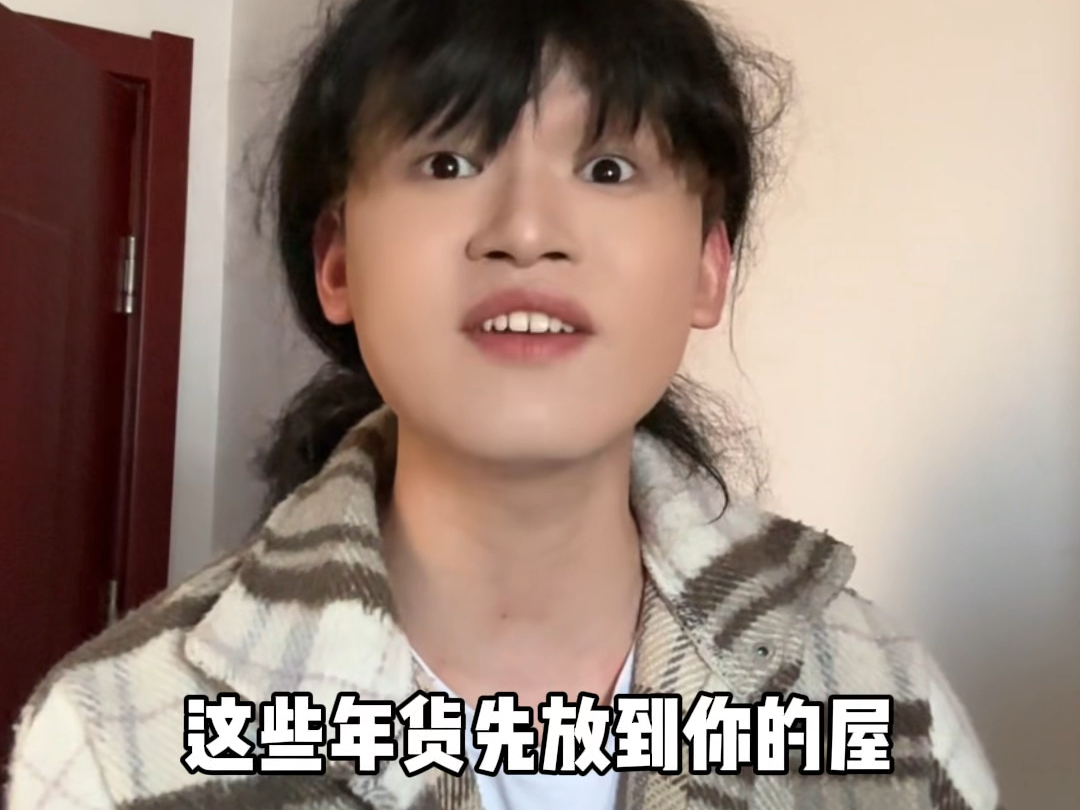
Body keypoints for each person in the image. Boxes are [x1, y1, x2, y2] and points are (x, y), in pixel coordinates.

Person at [5, 0, 1002, 808]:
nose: (526, 232)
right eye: (448, 163)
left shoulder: (878, 695)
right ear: (337, 263)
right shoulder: (116, 737)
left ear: (709, 268)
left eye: (608, 168)